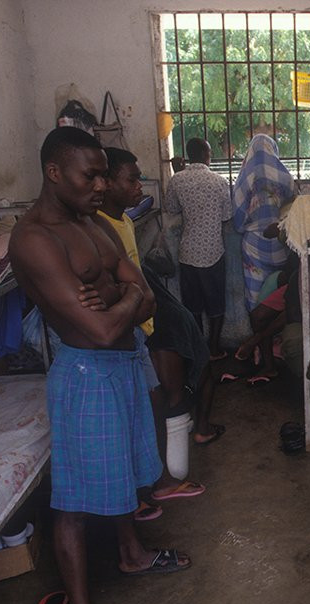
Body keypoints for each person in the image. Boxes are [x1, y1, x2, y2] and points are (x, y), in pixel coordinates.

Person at [9, 127, 189, 604]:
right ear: (54, 172)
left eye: (104, 174)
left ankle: (131, 555)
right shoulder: (35, 239)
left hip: (127, 363)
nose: (100, 184)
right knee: (73, 502)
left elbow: (146, 295)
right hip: (86, 373)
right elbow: (100, 329)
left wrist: (117, 293)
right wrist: (125, 296)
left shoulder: (95, 223)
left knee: (132, 471)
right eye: (90, 174)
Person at [99, 147, 220, 495]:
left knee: (159, 396)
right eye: (132, 179)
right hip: (133, 328)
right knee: (156, 400)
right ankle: (152, 482)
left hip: (148, 316)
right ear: (106, 183)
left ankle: (158, 479)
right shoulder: (99, 228)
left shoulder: (121, 220)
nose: (140, 186)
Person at [166, 138, 232, 359]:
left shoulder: (177, 180)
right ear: (206, 154)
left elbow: (171, 208)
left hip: (188, 252)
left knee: (192, 305)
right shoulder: (219, 181)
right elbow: (226, 216)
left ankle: (198, 350)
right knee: (216, 304)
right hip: (213, 251)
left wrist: (178, 172)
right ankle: (214, 349)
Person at [232, 134, 297, 311]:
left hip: (254, 247)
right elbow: (294, 209)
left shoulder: (245, 178)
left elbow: (237, 219)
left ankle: (258, 327)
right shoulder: (285, 178)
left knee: (255, 292)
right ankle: (278, 332)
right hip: (280, 243)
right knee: (281, 290)